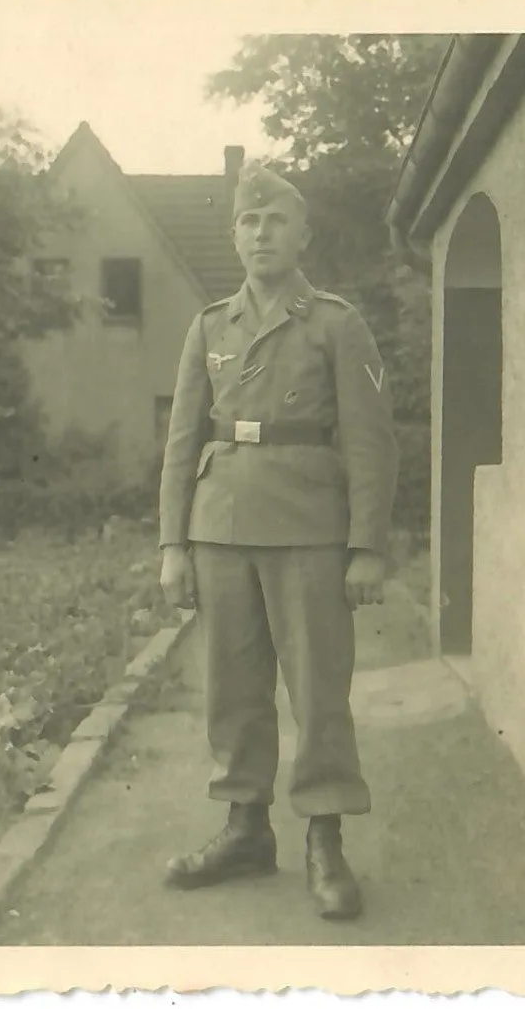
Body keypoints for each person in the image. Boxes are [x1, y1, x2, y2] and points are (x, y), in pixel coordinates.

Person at [159, 163, 398, 921]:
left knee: (317, 687)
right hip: (220, 522)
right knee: (232, 688)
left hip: (307, 527)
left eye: (275, 222)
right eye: (247, 222)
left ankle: (323, 836)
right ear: (234, 235)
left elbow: (370, 440)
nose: (260, 234)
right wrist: (172, 543)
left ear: (303, 236)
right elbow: (179, 439)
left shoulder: (333, 322)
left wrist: (366, 544)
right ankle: (243, 828)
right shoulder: (208, 327)